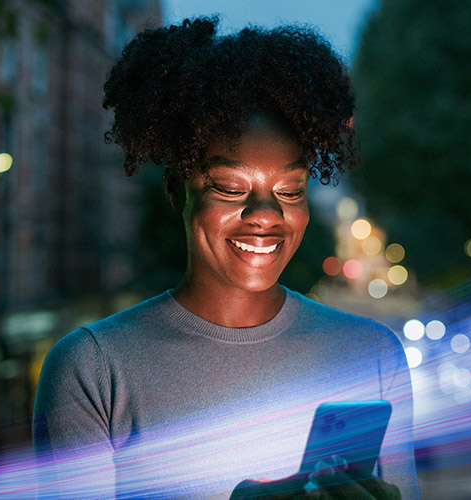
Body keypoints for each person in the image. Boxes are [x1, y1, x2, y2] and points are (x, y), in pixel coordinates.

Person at [32, 17, 417, 499]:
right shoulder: (92, 369)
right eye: (231, 187)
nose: (266, 214)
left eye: (289, 190)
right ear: (177, 190)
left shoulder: (373, 355)